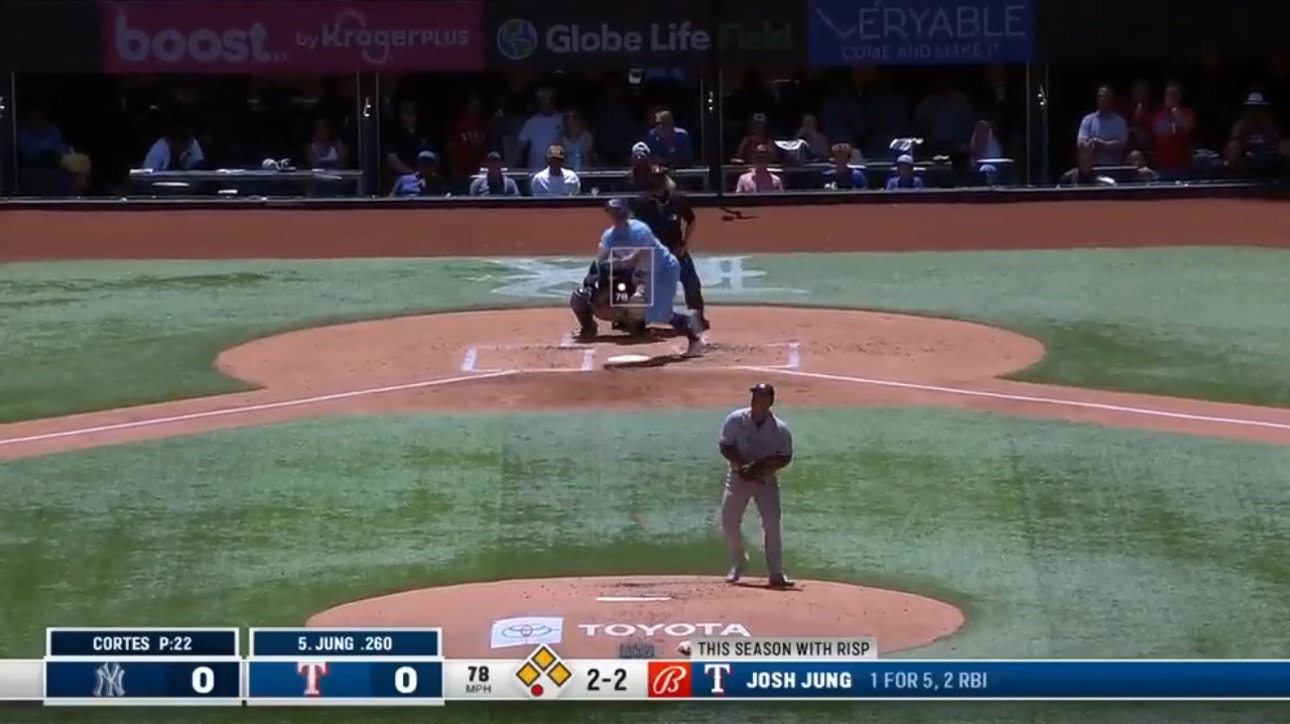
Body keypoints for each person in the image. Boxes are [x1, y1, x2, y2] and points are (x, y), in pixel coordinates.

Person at [594, 198, 704, 356]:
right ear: (609, 214)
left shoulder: (639, 229)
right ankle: (689, 321)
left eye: (620, 210)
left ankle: (694, 340)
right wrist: (607, 261)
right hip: (650, 272)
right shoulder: (610, 235)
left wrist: (622, 263)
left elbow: (640, 255)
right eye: (614, 211)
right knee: (651, 313)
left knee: (662, 313)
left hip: (665, 269)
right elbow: (602, 256)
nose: (618, 214)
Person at [719, 383, 794, 588]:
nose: (757, 401)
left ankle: (776, 572)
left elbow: (785, 456)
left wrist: (761, 468)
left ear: (770, 401)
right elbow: (725, 446)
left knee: (771, 524)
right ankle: (738, 560)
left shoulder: (779, 429)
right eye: (754, 397)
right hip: (737, 478)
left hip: (765, 482)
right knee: (728, 521)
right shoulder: (735, 420)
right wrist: (742, 466)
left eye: (762, 397)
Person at [629, 165, 707, 332]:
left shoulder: (678, 200)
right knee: (642, 286)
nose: (659, 181)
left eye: (662, 178)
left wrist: (685, 243)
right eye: (656, 178)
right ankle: (638, 320)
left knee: (691, 282)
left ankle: (698, 316)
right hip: (652, 254)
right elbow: (634, 228)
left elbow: (691, 221)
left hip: (676, 251)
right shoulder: (641, 202)